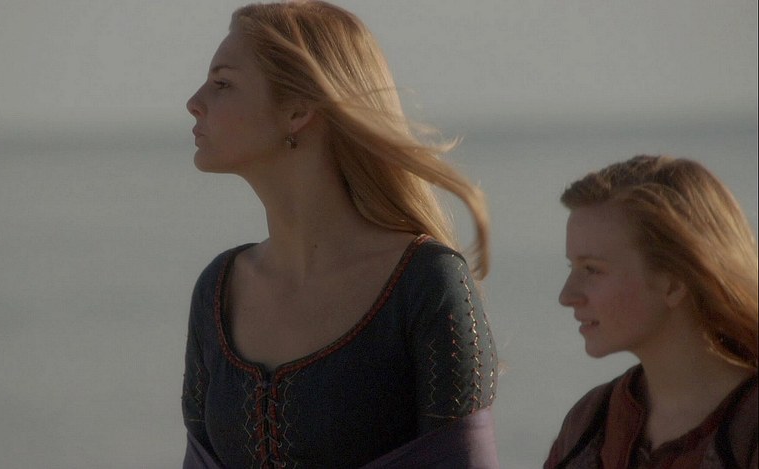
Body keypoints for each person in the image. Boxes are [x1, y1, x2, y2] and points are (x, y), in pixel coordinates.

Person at [181, 2, 499, 468]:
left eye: (223, 83)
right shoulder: (218, 288)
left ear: (298, 110)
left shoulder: (425, 282)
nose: (194, 101)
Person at [545, 155, 758, 468]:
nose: (567, 296)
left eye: (592, 269)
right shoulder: (589, 424)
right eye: (572, 267)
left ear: (674, 282)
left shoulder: (748, 431)